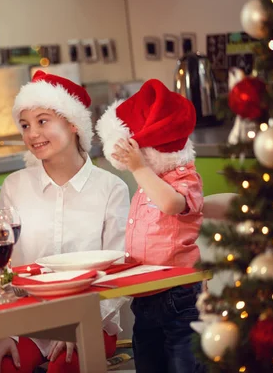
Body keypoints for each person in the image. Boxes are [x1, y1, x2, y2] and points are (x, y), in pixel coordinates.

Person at [0, 71, 130, 373]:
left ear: (73, 124)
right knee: (1, 368)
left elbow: (120, 272)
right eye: (25, 125)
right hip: (28, 323)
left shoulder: (111, 189)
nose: (32, 133)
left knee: (64, 368)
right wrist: (4, 332)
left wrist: (85, 324)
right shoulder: (14, 186)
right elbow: (0, 270)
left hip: (92, 321)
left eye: (42, 121)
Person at [96, 79, 205, 373]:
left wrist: (139, 168)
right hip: (145, 295)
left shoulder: (185, 177)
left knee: (185, 365)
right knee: (148, 363)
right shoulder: (150, 183)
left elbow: (171, 204)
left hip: (179, 295)